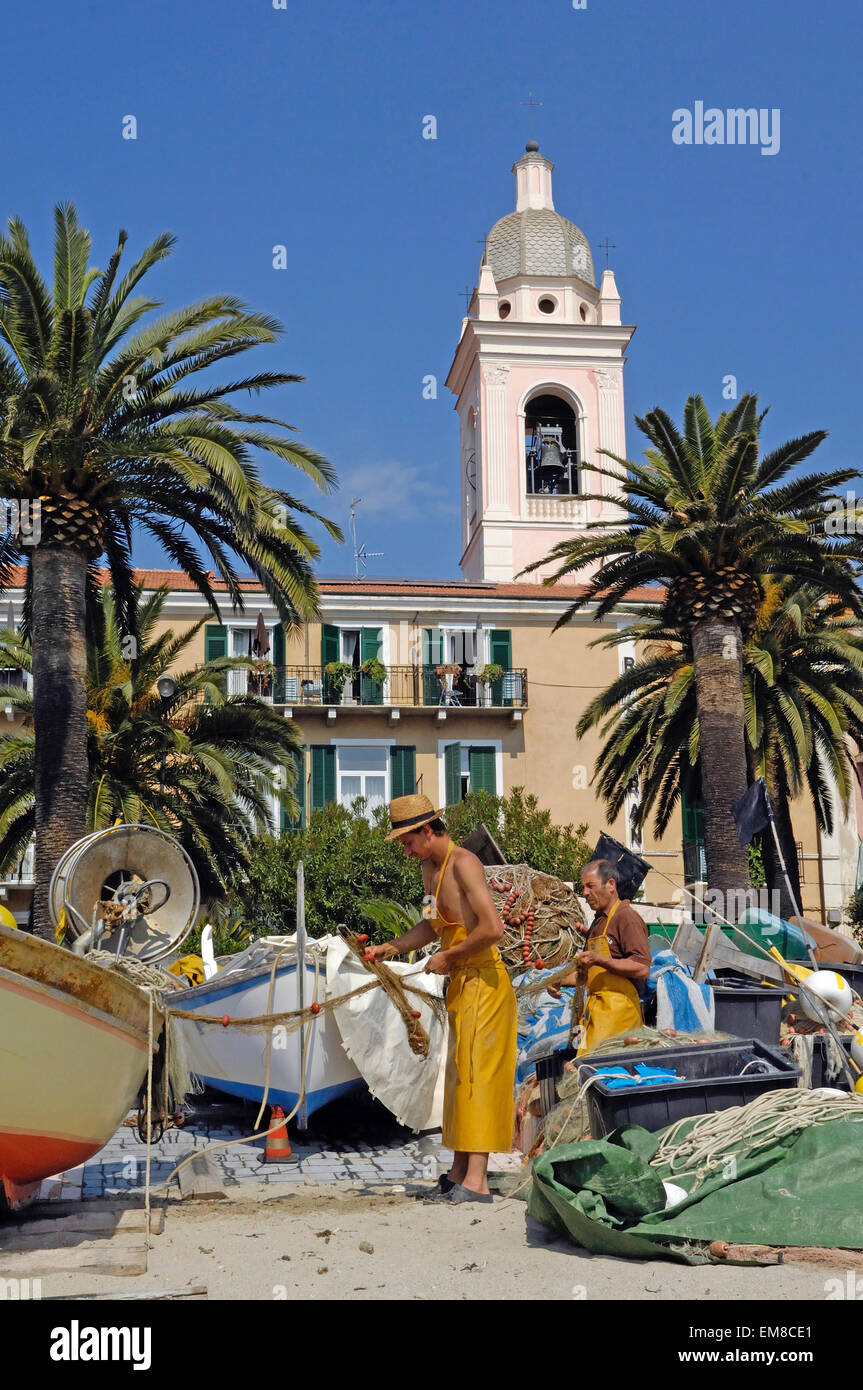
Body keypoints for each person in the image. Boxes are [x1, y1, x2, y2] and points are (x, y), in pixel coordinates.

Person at [365, 794, 517, 1203]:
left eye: (408, 841)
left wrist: (450, 956)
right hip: (461, 986)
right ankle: (458, 1172)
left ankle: (478, 1182)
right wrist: (390, 948)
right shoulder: (429, 872)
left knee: (478, 1075)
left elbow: (493, 928)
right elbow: (432, 927)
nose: (406, 849)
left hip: (486, 982)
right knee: (458, 1077)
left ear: (427, 830)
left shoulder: (465, 863)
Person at [548, 859, 651, 1055]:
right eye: (583, 887)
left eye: (590, 886)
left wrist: (600, 959)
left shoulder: (626, 918)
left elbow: (642, 968)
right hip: (597, 1014)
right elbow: (589, 975)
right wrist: (559, 981)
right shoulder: (597, 924)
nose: (585, 893)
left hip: (620, 1017)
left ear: (610, 884)